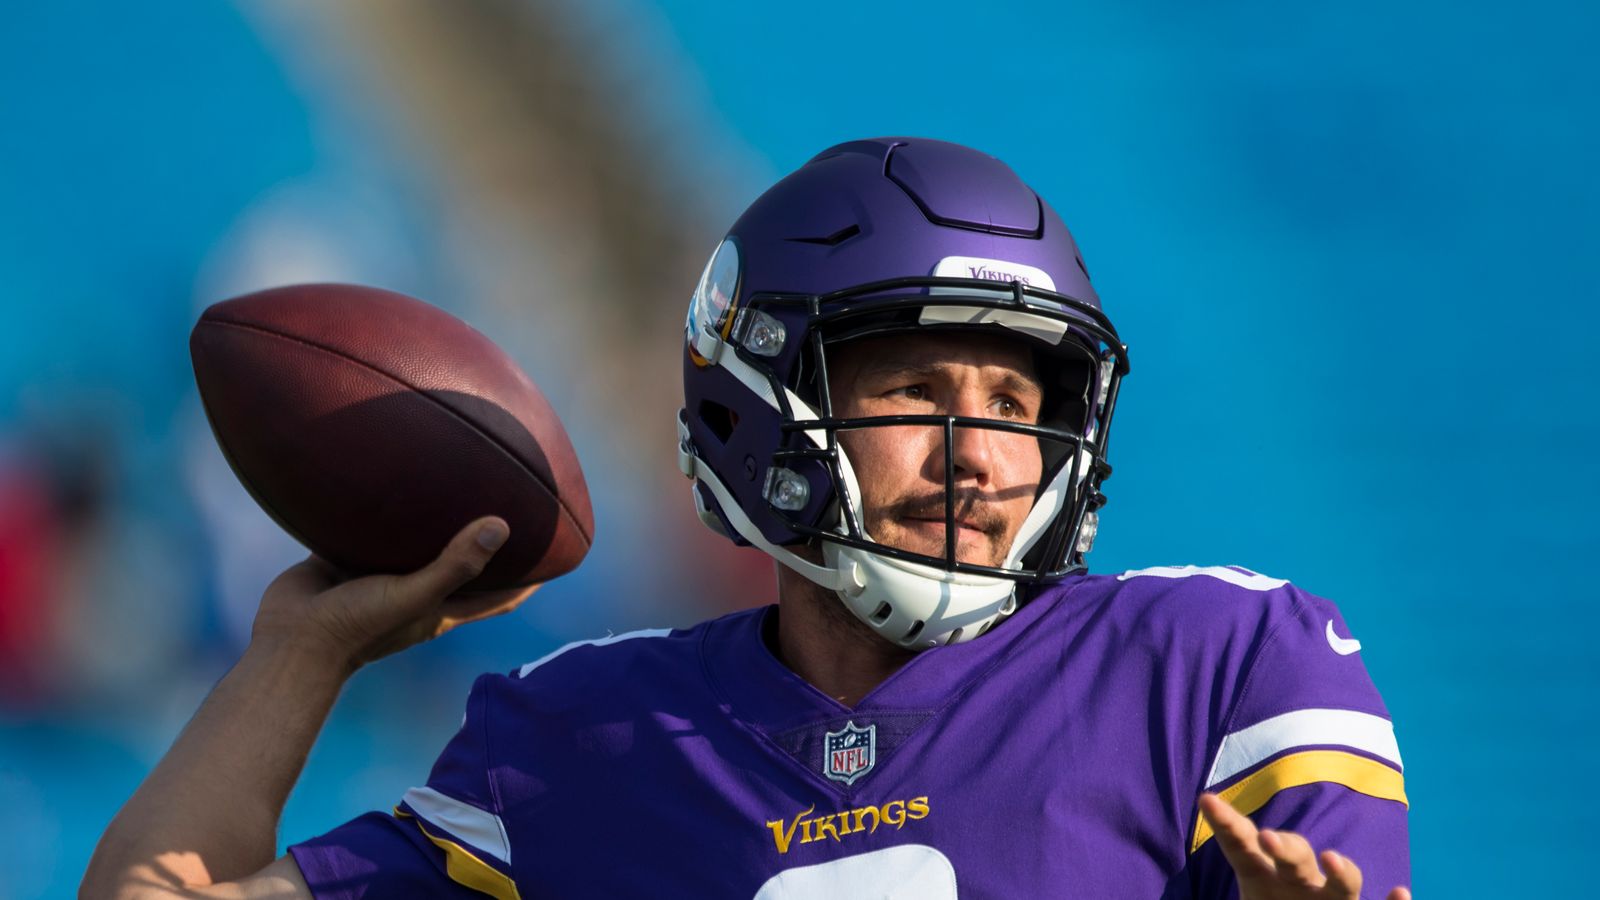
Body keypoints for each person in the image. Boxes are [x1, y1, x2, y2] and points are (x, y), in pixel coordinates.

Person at [83, 138, 1410, 899]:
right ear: (758, 407)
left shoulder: (1216, 663)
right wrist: (298, 653)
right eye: (916, 392)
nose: (980, 454)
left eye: (1015, 400)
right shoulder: (579, 740)